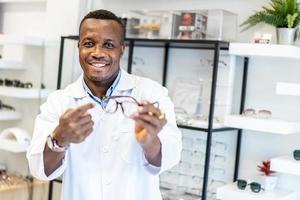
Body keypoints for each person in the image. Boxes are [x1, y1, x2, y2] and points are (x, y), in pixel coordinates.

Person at [27, 9, 182, 200]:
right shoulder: (59, 101)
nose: (97, 53)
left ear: (121, 49)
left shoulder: (151, 93)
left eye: (108, 45)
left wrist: (150, 141)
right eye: (89, 44)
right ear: (78, 46)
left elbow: (171, 157)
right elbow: (39, 169)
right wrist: (59, 139)